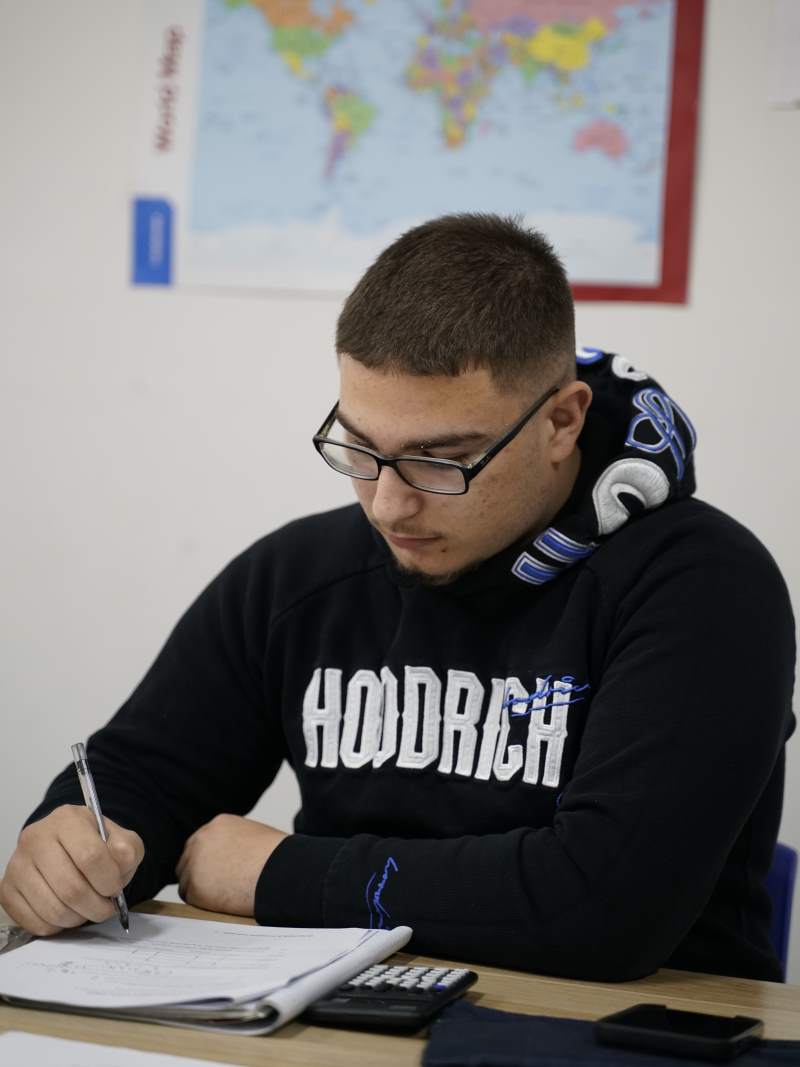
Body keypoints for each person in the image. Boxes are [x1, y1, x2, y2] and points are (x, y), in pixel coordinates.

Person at [1, 214, 795, 982]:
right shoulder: (301, 575)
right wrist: (73, 843)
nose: (386, 507)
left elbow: (602, 907)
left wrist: (278, 872)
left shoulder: (703, 586)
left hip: (626, 1037)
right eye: (358, 447)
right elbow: (145, 775)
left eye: (440, 460)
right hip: (338, 1017)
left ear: (561, 420)